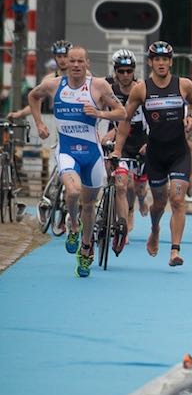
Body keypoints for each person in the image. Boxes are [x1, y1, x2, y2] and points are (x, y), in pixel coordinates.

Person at [27, 47, 126, 277]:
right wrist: (39, 123)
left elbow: (121, 113)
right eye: (72, 61)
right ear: (66, 63)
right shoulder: (54, 85)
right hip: (67, 151)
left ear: (87, 63)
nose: (76, 65)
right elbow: (33, 96)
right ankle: (73, 223)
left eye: (80, 61)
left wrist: (100, 114)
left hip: (92, 154)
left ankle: (86, 248)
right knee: (73, 191)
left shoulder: (99, 86)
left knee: (89, 206)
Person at [113, 41, 192, 267]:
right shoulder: (141, 89)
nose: (161, 63)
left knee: (178, 200)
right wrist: (117, 149)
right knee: (160, 203)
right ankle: (155, 229)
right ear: (150, 62)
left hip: (179, 153)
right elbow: (125, 120)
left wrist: (191, 117)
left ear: (171, 62)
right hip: (155, 156)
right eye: (157, 59)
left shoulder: (183, 84)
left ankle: (175, 251)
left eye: (165, 59)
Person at [104, 50, 149, 253]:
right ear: (115, 71)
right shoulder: (109, 89)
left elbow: (150, 118)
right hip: (117, 142)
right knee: (121, 184)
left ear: (134, 71)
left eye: (129, 71)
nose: (125, 75)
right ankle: (121, 224)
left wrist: (150, 142)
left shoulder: (140, 90)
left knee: (138, 188)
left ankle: (139, 202)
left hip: (138, 142)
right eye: (121, 71)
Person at [8, 39, 74, 121]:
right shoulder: (49, 79)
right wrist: (20, 113)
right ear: (55, 58)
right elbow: (35, 100)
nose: (62, 60)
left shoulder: (83, 75)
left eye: (65, 56)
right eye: (59, 56)